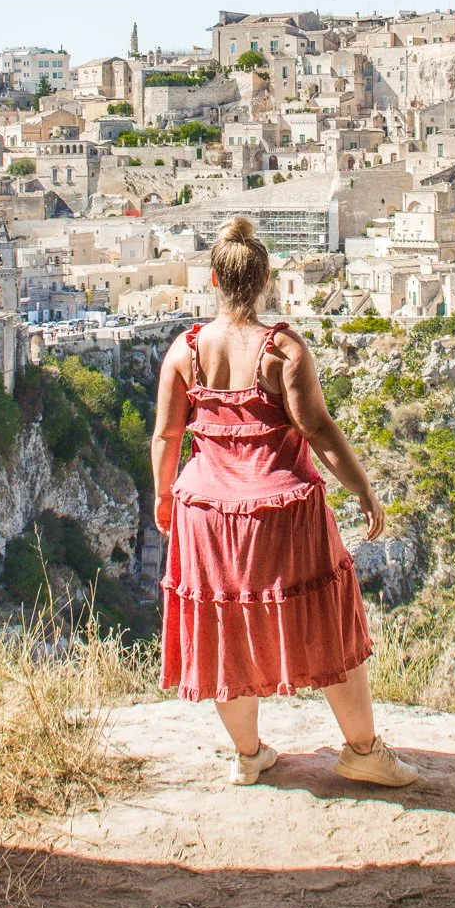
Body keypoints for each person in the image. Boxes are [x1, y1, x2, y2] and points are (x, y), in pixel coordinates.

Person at [152, 215, 419, 788]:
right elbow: (319, 431)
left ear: (215, 282)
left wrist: (163, 496)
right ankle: (363, 751)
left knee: (225, 629)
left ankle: (249, 756)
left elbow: (166, 435)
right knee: (326, 625)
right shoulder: (282, 350)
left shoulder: (186, 349)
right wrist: (363, 489)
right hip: (282, 512)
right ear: (267, 281)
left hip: (206, 512)